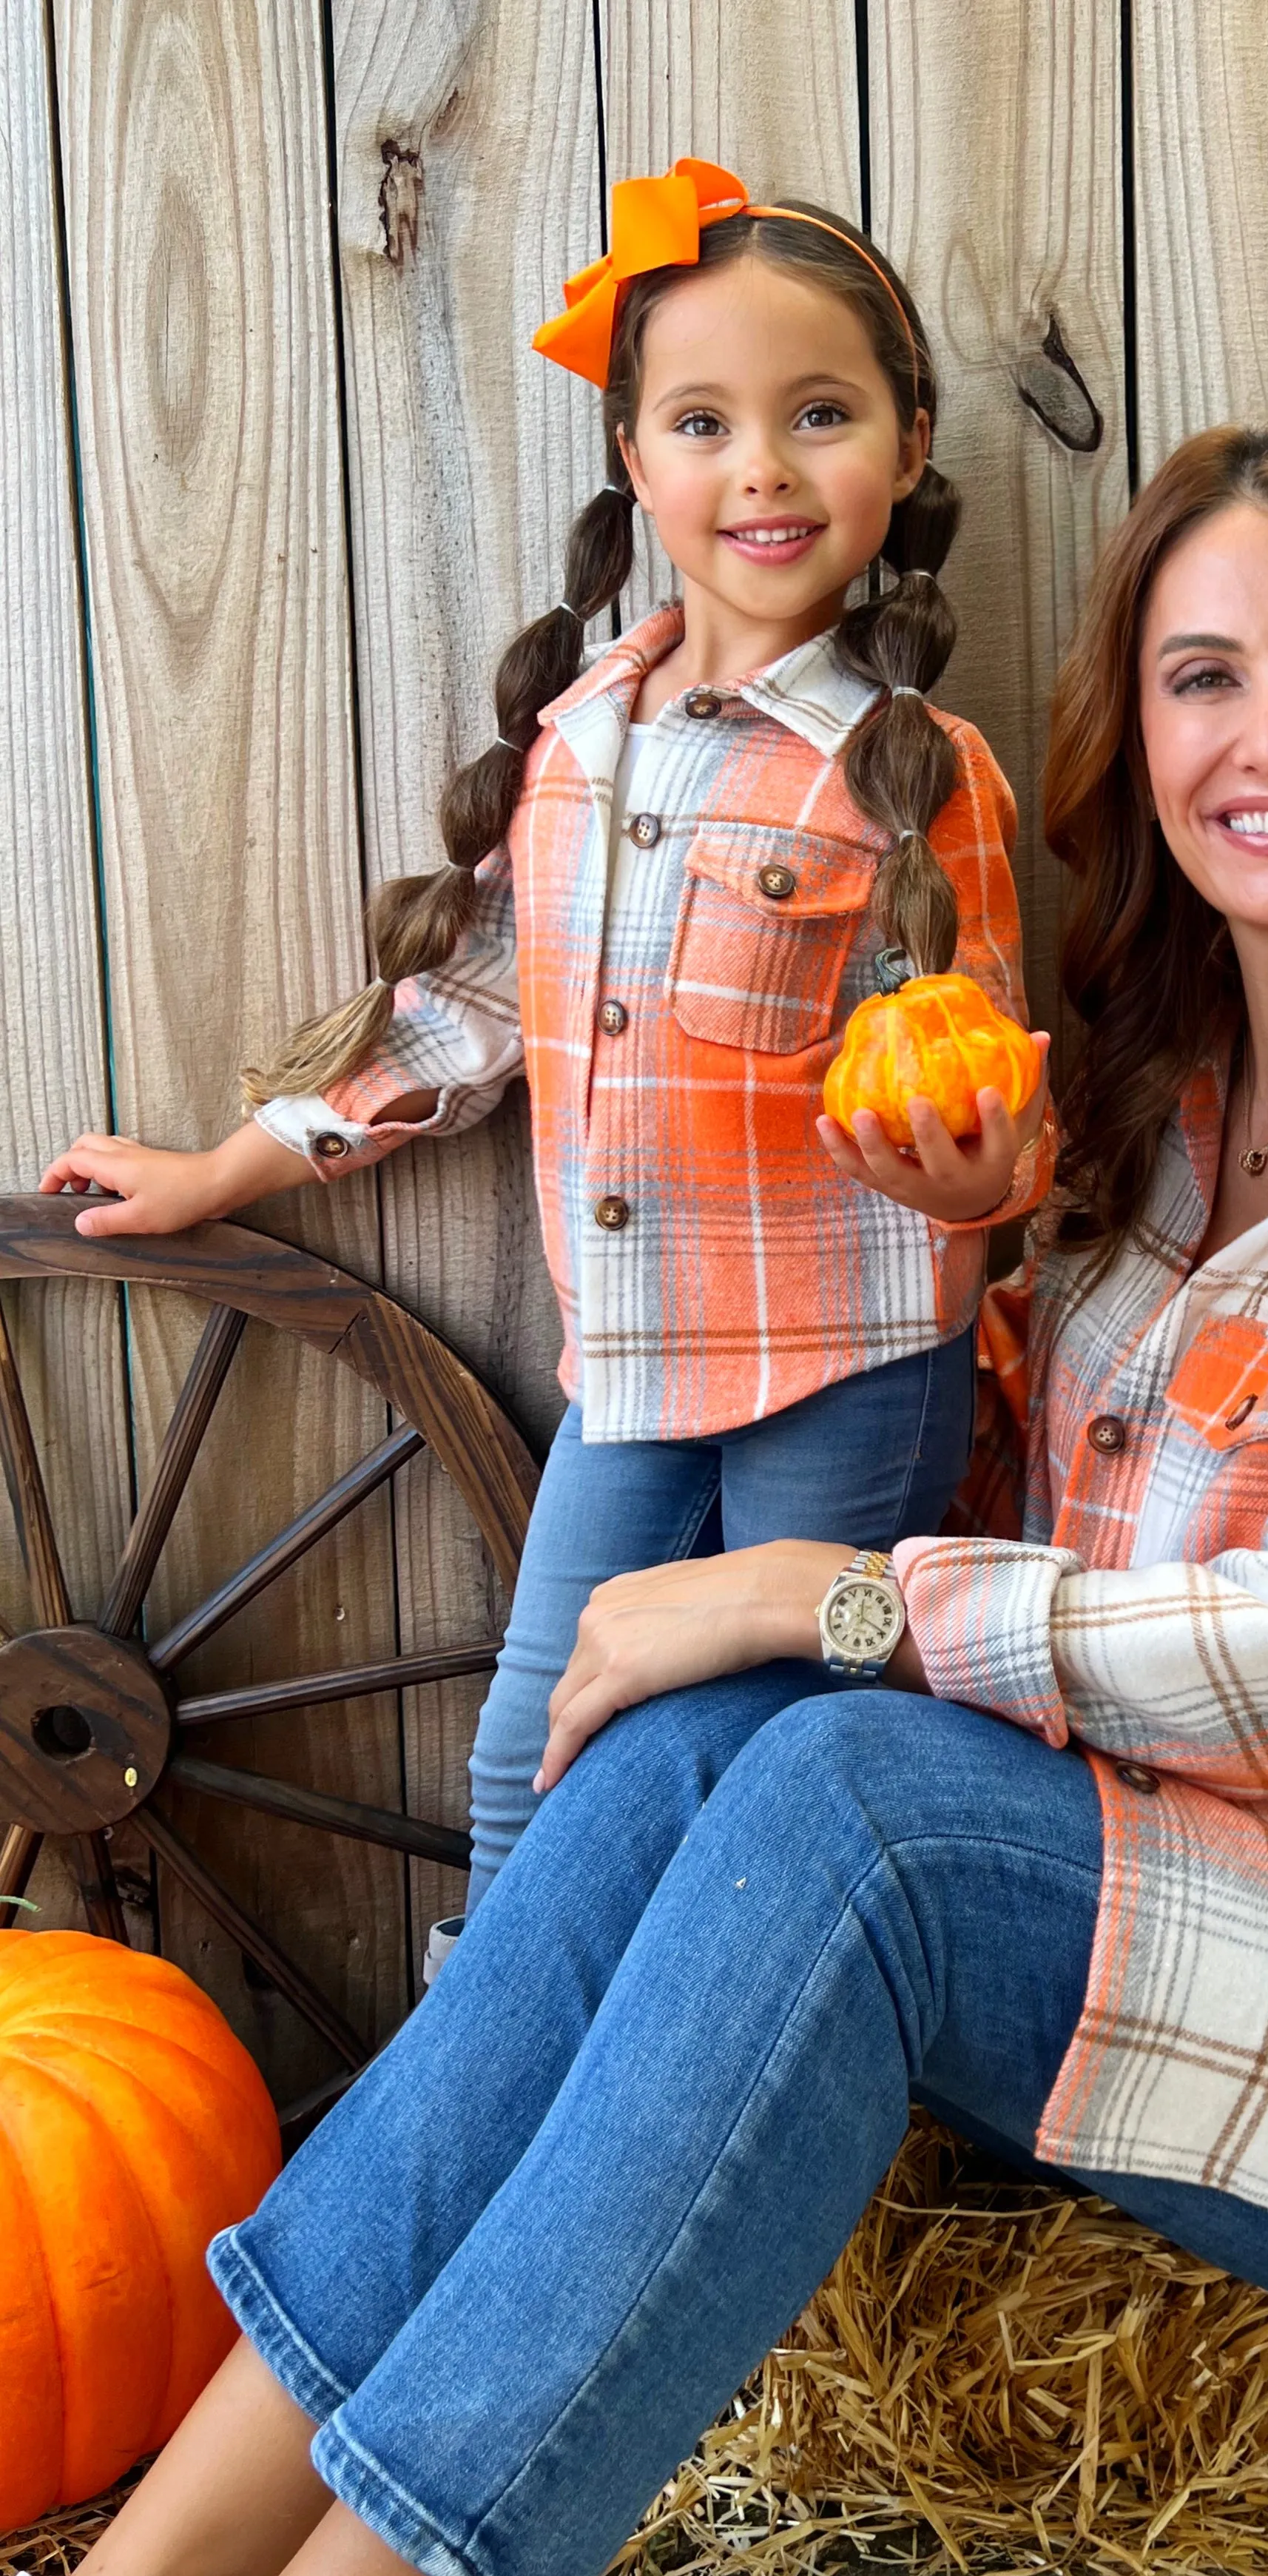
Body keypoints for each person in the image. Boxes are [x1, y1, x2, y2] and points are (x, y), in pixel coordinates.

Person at [10, 423, 1268, 2576]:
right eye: (1200, 680)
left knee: (846, 1780)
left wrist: (811, 1588)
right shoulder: (1138, 1143)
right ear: (1130, 739)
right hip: (1203, 1969)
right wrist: (962, 1287)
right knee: (696, 1751)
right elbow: (1040, 1599)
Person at [37, 160, 1048, 1913]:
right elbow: (467, 1015)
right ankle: (499, 2109)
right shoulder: (580, 744)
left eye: (820, 413)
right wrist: (228, 1165)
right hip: (635, 1368)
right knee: (534, 1750)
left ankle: (746, 2124)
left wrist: (978, 1179)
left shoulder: (908, 774)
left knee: (776, 1749)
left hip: (852, 1358)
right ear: (637, 461)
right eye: (704, 420)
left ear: (908, 439)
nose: (764, 468)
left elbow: (980, 1070)